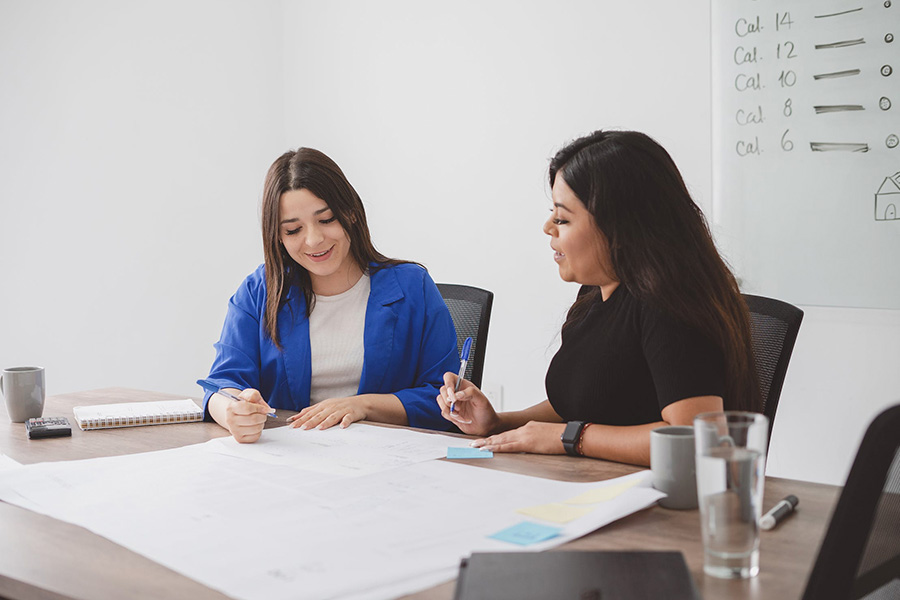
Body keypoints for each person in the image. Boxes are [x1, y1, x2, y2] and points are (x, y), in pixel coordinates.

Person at [437, 130, 760, 466]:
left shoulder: (669, 305)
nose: (548, 227)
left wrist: (570, 437)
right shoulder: (595, 295)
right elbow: (583, 403)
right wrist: (498, 423)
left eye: (562, 217)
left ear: (618, 226)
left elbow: (697, 440)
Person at [204, 147, 459, 443]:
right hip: (292, 461)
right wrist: (233, 409)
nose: (313, 240)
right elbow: (221, 385)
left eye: (326, 220)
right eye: (293, 230)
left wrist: (362, 405)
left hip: (386, 459)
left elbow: (443, 397)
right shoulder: (259, 290)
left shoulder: (412, 286)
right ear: (277, 236)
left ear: (350, 212)